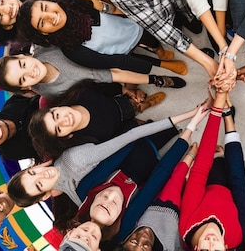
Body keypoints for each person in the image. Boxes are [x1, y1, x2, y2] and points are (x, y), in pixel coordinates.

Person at [6, 102, 207, 207]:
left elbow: (129, 137)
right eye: (39, 184)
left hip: (131, 163)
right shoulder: (71, 171)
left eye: (33, 174)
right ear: (43, 196)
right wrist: (191, 116)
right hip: (132, 167)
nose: (43, 175)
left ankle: (176, 132)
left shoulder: (71, 172)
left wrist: (191, 115)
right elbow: (130, 136)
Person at [75, 103, 209, 244]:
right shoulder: (122, 227)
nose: (112, 195)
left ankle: (156, 132)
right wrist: (192, 127)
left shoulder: (83, 190)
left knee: (146, 145)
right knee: (155, 161)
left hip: (128, 151)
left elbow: (117, 148)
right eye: (114, 202)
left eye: (104, 197)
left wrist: (136, 130)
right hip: (142, 174)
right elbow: (158, 178)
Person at [17, 0, 187, 75]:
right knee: (134, 59)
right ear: (43, 33)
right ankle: (163, 64)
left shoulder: (78, 4)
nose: (50, 16)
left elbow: (113, 9)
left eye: (45, 7)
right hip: (121, 52)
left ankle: (160, 51)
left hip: (131, 28)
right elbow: (118, 62)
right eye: (42, 22)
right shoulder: (72, 51)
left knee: (151, 41)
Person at [178, 89, 245, 250]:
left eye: (205, 250)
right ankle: (230, 118)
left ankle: (222, 144)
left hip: (208, 185)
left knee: (214, 159)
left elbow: (200, 171)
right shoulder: (238, 234)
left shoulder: (187, 227)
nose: (211, 242)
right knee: (233, 162)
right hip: (231, 190)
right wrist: (226, 115)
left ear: (196, 248)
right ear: (226, 248)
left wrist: (217, 109)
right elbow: (239, 181)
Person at [27, 83, 165, 159]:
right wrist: (134, 125)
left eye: (56, 116)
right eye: (58, 129)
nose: (64, 120)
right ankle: (143, 106)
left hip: (116, 101)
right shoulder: (88, 140)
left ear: (56, 107)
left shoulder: (80, 94)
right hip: (123, 122)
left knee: (131, 100)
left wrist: (124, 90)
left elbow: (103, 88)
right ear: (66, 136)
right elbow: (118, 137)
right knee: (135, 116)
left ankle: (138, 103)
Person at [0, 47, 185, 100]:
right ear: (25, 87)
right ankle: (158, 79)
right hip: (100, 78)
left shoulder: (44, 47)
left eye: (23, 64)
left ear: (24, 55)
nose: (30, 71)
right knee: (122, 74)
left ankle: (163, 64)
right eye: (23, 78)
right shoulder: (50, 93)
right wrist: (151, 80)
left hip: (101, 54)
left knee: (129, 61)